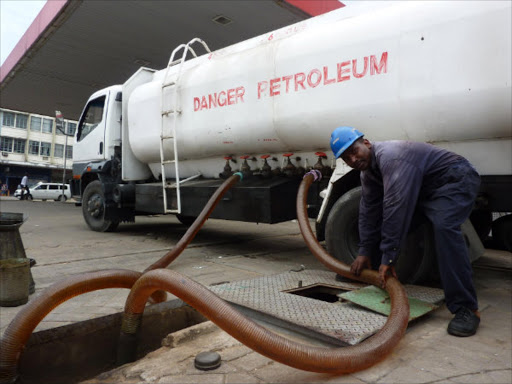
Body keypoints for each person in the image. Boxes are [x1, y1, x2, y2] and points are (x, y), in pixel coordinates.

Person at [330, 126, 481, 337]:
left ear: (366, 143)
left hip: (455, 178)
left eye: (354, 151)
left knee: (444, 227)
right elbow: (368, 212)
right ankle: (369, 273)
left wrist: (388, 259)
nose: (353, 159)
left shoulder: (391, 158)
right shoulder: (368, 173)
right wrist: (364, 252)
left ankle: (467, 309)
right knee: (379, 220)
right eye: (347, 158)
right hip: (426, 189)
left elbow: (396, 209)